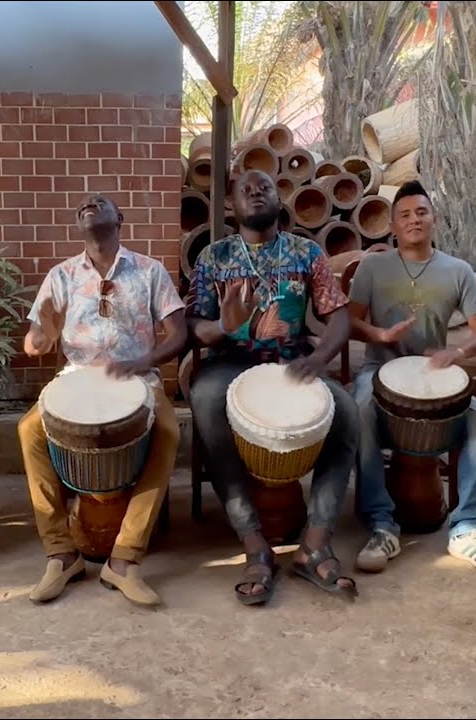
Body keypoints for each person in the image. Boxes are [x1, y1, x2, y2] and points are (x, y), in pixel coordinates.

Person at [186, 169, 360, 606]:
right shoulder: (214, 257)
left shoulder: (306, 252)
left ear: (279, 198)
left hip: (292, 361)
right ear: (232, 205)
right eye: (245, 190)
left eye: (264, 187)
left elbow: (339, 315)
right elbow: (194, 326)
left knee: (346, 410)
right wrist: (223, 326)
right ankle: (253, 543)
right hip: (231, 363)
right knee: (205, 398)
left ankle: (315, 543)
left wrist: (319, 359)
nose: (256, 193)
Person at [18, 193, 186, 607]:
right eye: (82, 207)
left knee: (167, 430)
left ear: (119, 218)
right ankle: (61, 554)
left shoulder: (150, 270)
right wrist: (41, 336)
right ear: (78, 226)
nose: (88, 205)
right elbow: (34, 342)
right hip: (77, 379)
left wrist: (144, 361)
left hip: (138, 379)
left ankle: (125, 559)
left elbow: (179, 334)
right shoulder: (61, 275)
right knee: (29, 430)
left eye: (100, 202)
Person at [347, 181, 476, 578]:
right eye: (404, 215)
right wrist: (380, 335)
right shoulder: (373, 267)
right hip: (378, 370)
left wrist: (458, 353)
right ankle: (381, 525)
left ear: (433, 220)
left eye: (421, 212)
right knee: (360, 411)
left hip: (436, 374)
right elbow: (349, 322)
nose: (414, 220)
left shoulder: (457, 271)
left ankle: (467, 528)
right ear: (392, 226)